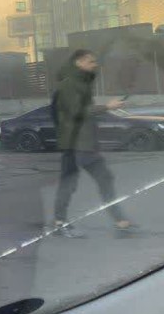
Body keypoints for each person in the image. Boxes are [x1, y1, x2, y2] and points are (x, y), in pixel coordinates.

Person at [51, 49, 134, 237]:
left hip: (82, 143)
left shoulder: (81, 83)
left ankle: (119, 220)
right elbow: (76, 111)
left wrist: (108, 109)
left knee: (92, 180)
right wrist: (106, 106)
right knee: (77, 183)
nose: (94, 64)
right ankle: (61, 222)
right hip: (77, 143)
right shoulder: (70, 84)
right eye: (90, 62)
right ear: (78, 62)